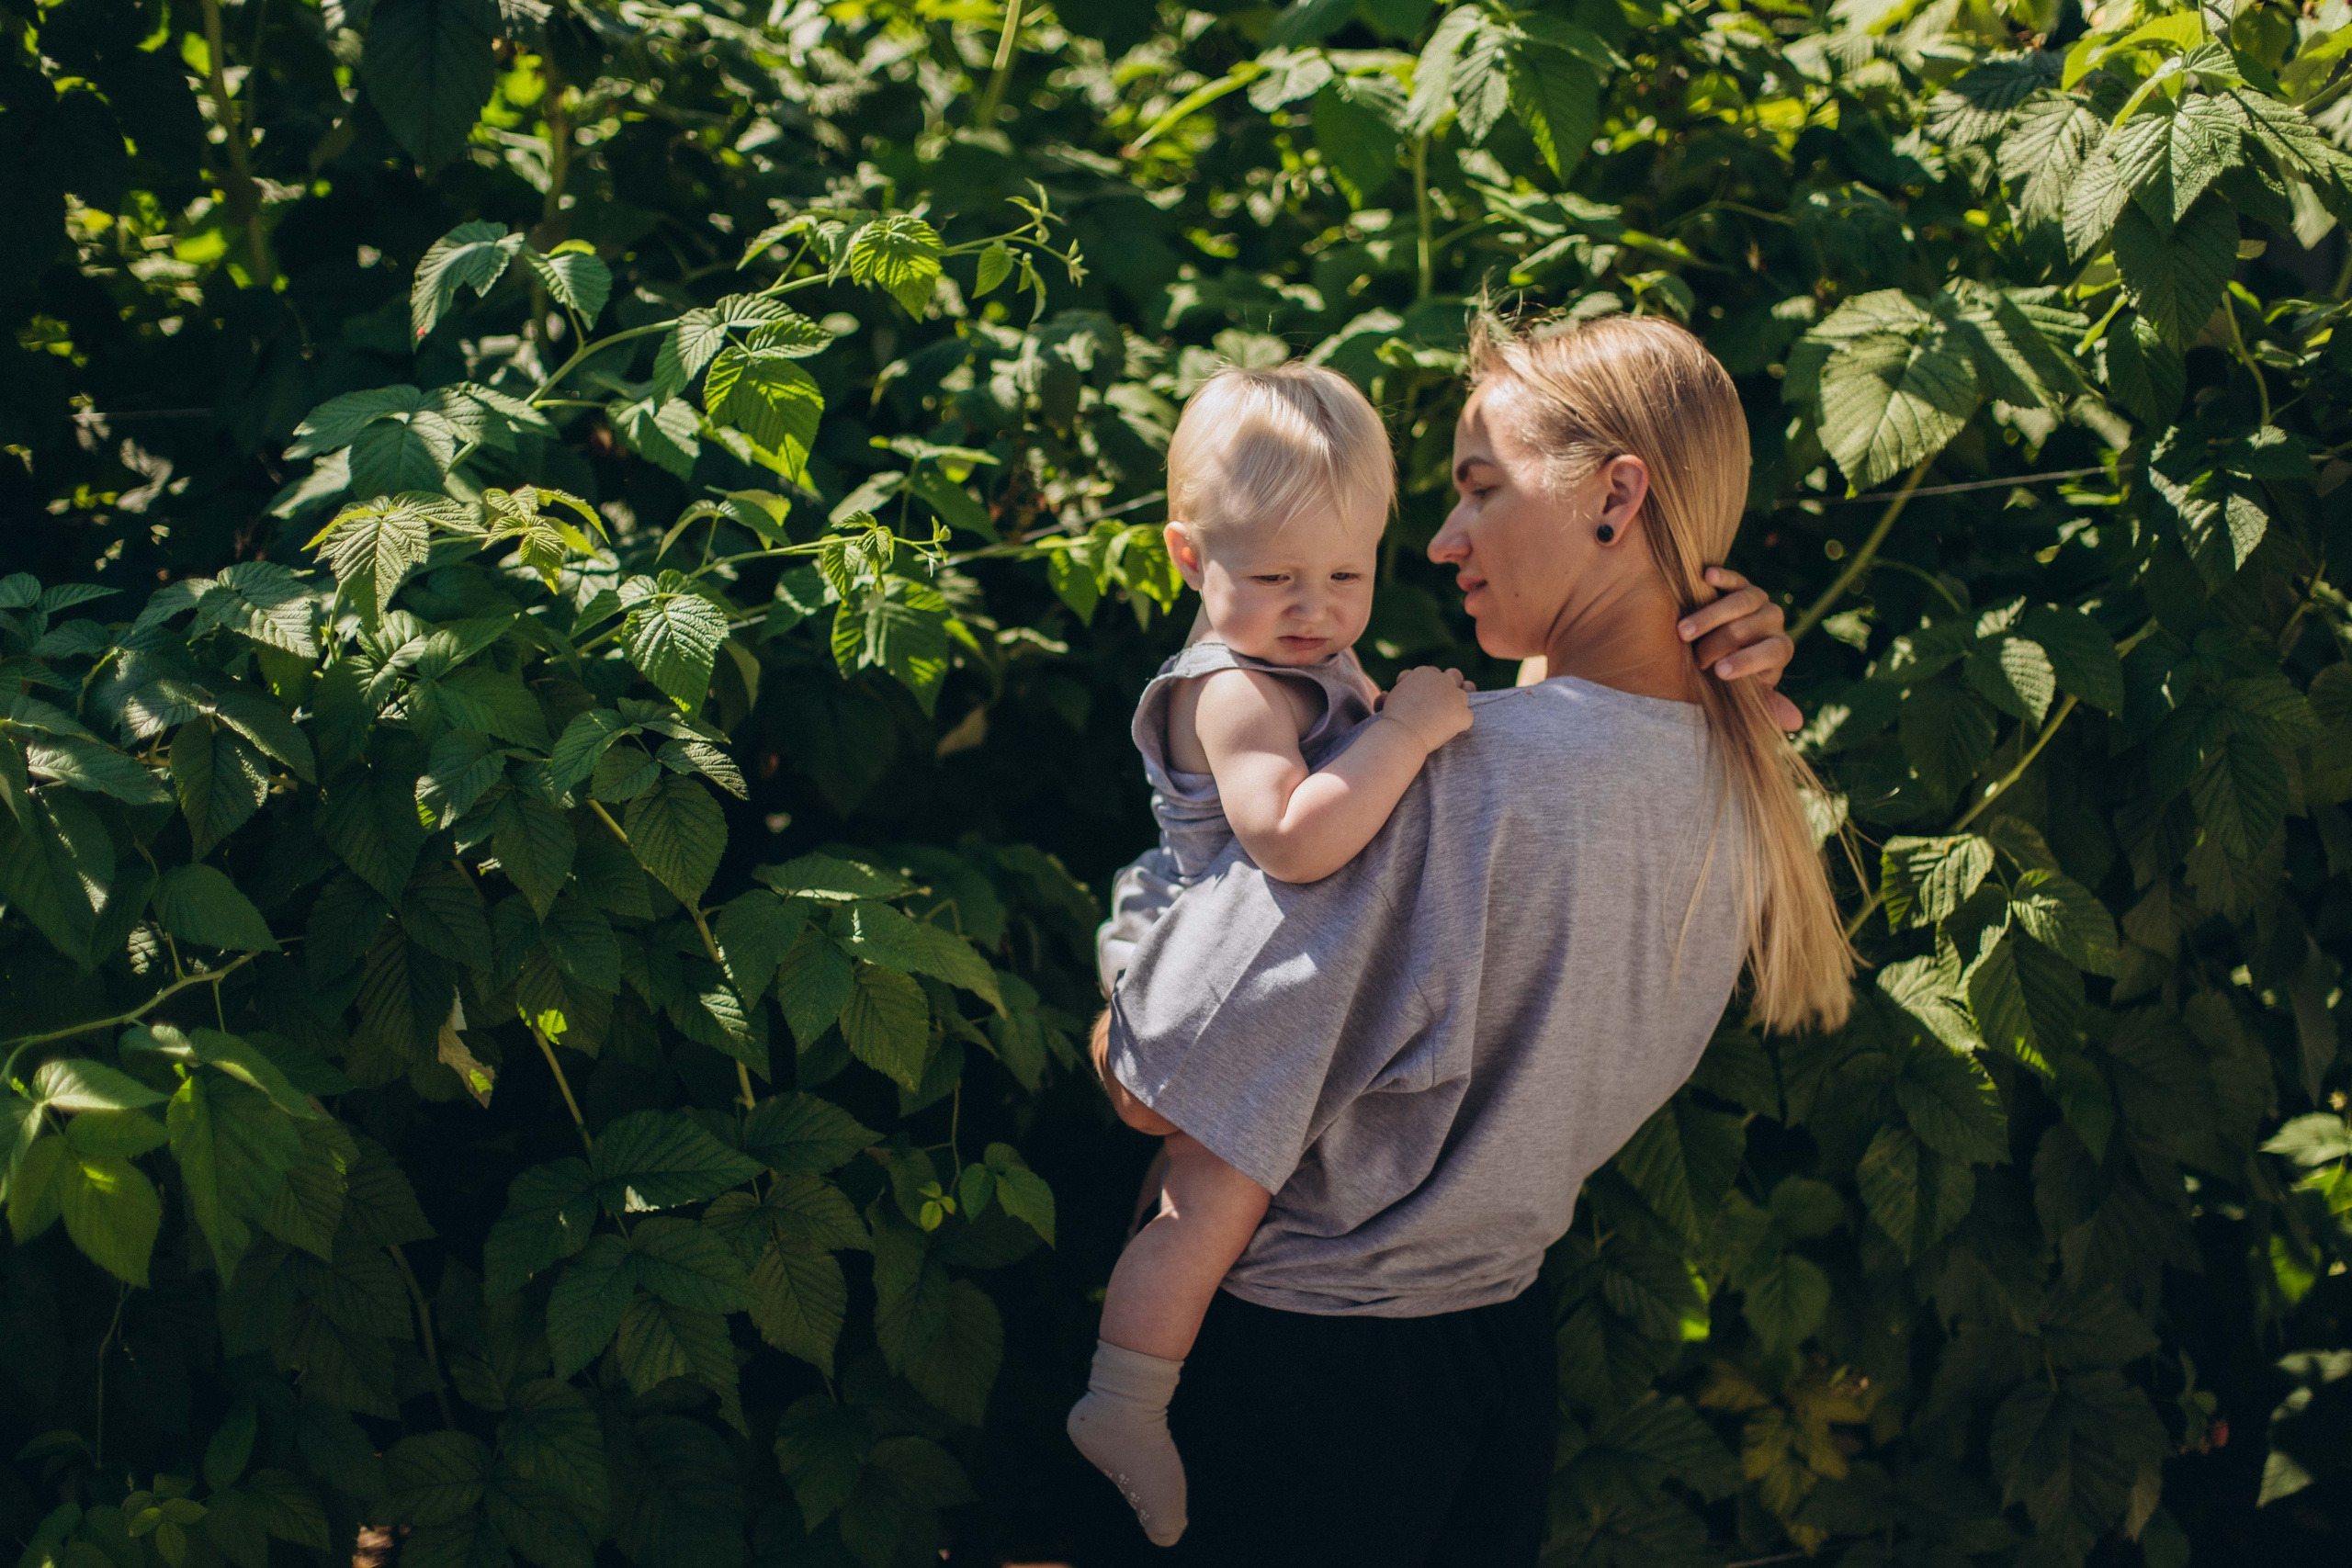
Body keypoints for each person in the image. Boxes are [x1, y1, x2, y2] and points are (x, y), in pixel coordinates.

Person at [1089, 313, 1851, 1565]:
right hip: (1501, 1350)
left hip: (1306, 1374)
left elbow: (1150, 1079)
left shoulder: (1448, 775)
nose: (1440, 542)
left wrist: (1123, 979)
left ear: (1618, 494)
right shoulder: (1747, 772)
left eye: (1480, 490)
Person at [1066, 364, 1484, 1544]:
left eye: (1346, 574)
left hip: (1250, 964)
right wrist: (1402, 727)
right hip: (1210, 974)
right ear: (1190, 562)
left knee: (1200, 1194)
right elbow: (1293, 841)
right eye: (1276, 577)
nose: (1316, 607)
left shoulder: (1296, 651)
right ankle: (1121, 1400)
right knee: (1212, 1203)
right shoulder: (1238, 689)